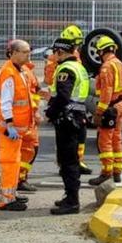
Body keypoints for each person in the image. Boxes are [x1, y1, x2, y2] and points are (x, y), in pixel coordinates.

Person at [0, 40, 34, 211]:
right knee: (10, 162)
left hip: (14, 129)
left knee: (14, 161)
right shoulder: (9, 73)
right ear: (13, 53)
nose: (28, 54)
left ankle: (11, 194)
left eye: (29, 51)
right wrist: (10, 125)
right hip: (8, 128)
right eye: (25, 52)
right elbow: (6, 103)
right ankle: (6, 199)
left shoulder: (19, 71)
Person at [45, 37, 91, 215]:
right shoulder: (79, 67)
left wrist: (50, 113)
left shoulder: (65, 69)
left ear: (60, 52)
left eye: (54, 53)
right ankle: (69, 196)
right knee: (71, 160)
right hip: (77, 118)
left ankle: (72, 201)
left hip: (67, 121)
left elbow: (63, 97)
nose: (53, 56)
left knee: (68, 162)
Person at [44, 24, 93, 176]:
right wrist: (52, 110)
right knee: (66, 142)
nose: (77, 46)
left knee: (79, 138)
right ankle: (66, 165)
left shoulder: (73, 56)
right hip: (66, 108)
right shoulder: (58, 59)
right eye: (75, 42)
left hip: (76, 107)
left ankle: (75, 163)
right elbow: (57, 86)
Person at [88, 35, 122, 186]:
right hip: (120, 105)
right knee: (116, 138)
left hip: (110, 107)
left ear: (101, 51)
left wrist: (99, 112)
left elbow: (107, 91)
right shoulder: (121, 65)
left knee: (104, 140)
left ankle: (106, 172)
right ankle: (117, 171)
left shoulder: (106, 67)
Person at [17, 57, 43, 193]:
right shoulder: (24, 71)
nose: (29, 55)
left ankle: (21, 177)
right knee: (29, 148)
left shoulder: (27, 70)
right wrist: (36, 112)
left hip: (28, 118)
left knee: (31, 148)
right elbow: (27, 96)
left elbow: (35, 91)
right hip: (26, 118)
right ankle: (20, 179)